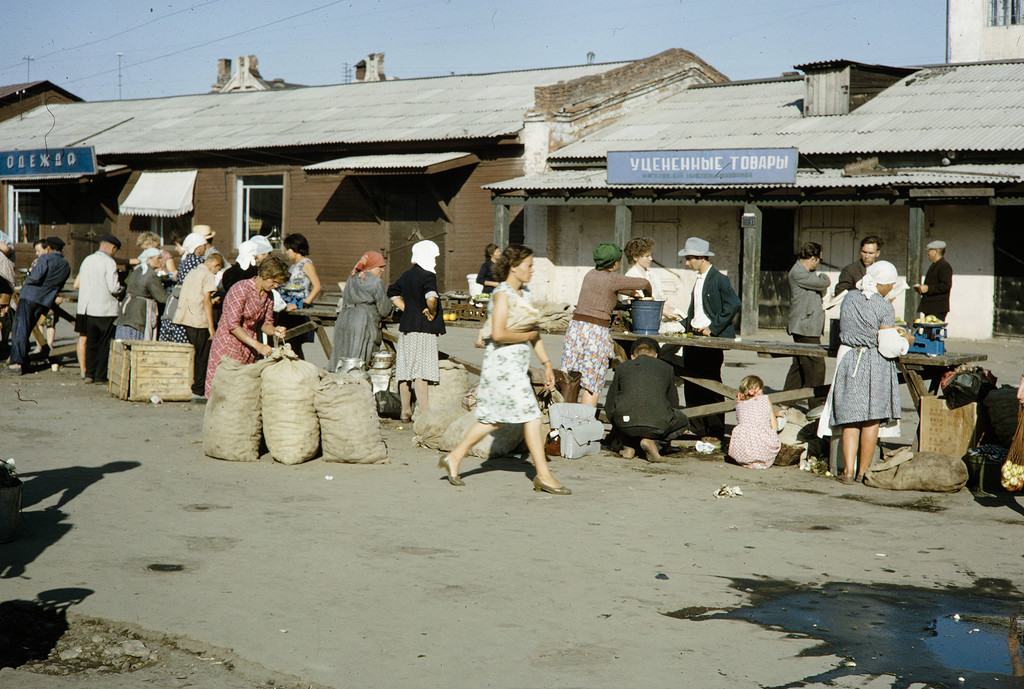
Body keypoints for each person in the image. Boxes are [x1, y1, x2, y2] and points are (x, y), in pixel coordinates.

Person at [437, 245, 569, 495]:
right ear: (513, 267)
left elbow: (534, 334)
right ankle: (543, 474)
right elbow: (498, 334)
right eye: (528, 265)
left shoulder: (525, 295)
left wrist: (548, 364)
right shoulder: (502, 295)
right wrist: (528, 333)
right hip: (503, 366)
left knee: (492, 419)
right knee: (531, 415)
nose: (532, 270)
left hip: (516, 365)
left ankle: (454, 457)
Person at [826, 260, 914, 484]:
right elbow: (886, 346)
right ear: (882, 284)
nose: (891, 288)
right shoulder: (884, 307)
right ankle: (863, 472)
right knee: (870, 420)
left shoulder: (849, 298)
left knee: (850, 420)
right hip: (874, 363)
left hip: (849, 361)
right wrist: (906, 341)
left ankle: (847, 471)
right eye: (890, 285)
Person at [660, 237, 741, 440]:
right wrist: (684, 324)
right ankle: (697, 428)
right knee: (692, 382)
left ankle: (714, 430)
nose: (686, 263)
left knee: (711, 384)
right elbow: (697, 310)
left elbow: (733, 304)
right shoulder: (699, 279)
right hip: (694, 336)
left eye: (689, 259)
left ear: (700, 258)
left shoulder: (718, 279)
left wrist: (713, 327)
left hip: (709, 339)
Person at [560, 242, 651, 407]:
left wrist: (630, 293)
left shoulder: (590, 274)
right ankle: (583, 424)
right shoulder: (612, 279)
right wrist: (648, 296)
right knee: (591, 384)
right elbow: (644, 284)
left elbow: (607, 288)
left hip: (576, 329)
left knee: (570, 379)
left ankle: (565, 422)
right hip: (595, 332)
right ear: (615, 263)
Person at [205, 257, 289, 398]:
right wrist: (258, 346)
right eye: (274, 281)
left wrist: (274, 330)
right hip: (229, 344)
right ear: (264, 275)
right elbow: (233, 326)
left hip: (249, 346)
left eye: (278, 283)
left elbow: (266, 324)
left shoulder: (269, 296)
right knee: (228, 391)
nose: (276, 286)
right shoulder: (241, 289)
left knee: (245, 392)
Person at [604, 337, 689, 462]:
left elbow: (609, 404)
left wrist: (617, 428)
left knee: (628, 419)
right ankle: (655, 444)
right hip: (657, 424)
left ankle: (628, 446)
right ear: (655, 356)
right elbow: (673, 403)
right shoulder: (667, 368)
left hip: (625, 423)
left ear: (633, 356)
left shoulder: (622, 368)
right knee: (684, 421)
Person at [387, 240, 446, 421]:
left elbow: (392, 293)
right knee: (421, 371)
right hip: (423, 329)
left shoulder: (406, 275)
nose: (435, 261)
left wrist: (406, 308)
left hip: (406, 329)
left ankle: (405, 410)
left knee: (405, 370)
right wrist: (432, 312)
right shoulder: (428, 276)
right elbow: (431, 298)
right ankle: (425, 412)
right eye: (434, 257)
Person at [5, 237, 70, 375]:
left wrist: (27, 279)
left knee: (20, 329)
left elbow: (35, 276)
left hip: (30, 296)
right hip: (45, 300)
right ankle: (24, 360)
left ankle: (16, 363)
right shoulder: (65, 265)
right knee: (28, 329)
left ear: (49, 248)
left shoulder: (45, 259)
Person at [328, 251, 392, 372]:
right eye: (380, 267)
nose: (382, 270)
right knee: (361, 356)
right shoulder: (376, 282)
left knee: (342, 354)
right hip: (363, 321)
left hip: (345, 318)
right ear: (371, 267)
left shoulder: (352, 277)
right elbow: (384, 310)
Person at [784, 242, 830, 404]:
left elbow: (820, 288)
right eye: (819, 260)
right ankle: (815, 404)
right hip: (805, 326)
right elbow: (823, 283)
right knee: (816, 366)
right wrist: (823, 278)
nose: (818, 264)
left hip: (806, 325)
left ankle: (786, 400)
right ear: (813, 258)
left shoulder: (805, 272)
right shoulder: (798, 273)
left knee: (799, 365)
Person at [174, 252, 224, 401]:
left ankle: (192, 386)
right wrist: (211, 327)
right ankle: (198, 390)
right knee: (202, 356)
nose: (216, 272)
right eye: (218, 269)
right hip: (200, 320)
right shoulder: (208, 275)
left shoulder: (193, 272)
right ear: (215, 265)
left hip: (186, 317)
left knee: (194, 354)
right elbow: (206, 300)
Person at [76, 234, 123, 383]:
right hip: (105, 309)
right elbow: (114, 287)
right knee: (104, 344)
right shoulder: (110, 263)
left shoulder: (87, 260)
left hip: (89, 308)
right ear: (113, 248)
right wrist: (122, 288)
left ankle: (89, 373)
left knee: (91, 343)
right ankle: (100, 376)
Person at [278, 233, 323, 359]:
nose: (286, 252)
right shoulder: (293, 266)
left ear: (296, 249)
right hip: (290, 304)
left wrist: (305, 303)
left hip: (299, 305)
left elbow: (317, 286)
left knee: (295, 342)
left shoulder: (306, 264)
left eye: (288, 249)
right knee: (289, 343)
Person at [159, 232, 208, 344]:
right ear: (198, 247)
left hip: (175, 301)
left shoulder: (185, 260)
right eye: (204, 245)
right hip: (185, 302)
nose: (205, 248)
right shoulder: (198, 262)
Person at [728, 375, 783, 469]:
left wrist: (775, 413)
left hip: (742, 453)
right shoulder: (765, 399)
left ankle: (748, 461)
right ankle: (762, 459)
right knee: (772, 433)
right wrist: (775, 417)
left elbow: (753, 415)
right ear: (758, 389)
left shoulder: (739, 402)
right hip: (762, 450)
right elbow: (775, 426)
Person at [622, 237, 681, 321]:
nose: (651, 259)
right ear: (635, 257)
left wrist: (673, 311)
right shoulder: (629, 277)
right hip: (641, 320)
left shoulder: (653, 275)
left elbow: (660, 299)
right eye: (647, 256)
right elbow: (631, 304)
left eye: (650, 255)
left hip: (657, 318)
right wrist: (663, 312)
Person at [114, 247, 167, 341]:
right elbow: (162, 298)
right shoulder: (150, 274)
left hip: (127, 310)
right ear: (149, 259)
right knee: (137, 342)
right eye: (158, 258)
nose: (161, 260)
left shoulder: (136, 270)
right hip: (139, 313)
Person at [915, 240, 953, 321]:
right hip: (931, 307)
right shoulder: (935, 265)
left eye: (929, 250)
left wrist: (928, 288)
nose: (928, 253)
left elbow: (946, 286)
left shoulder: (944, 266)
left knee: (930, 333)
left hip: (937, 308)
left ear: (935, 251)